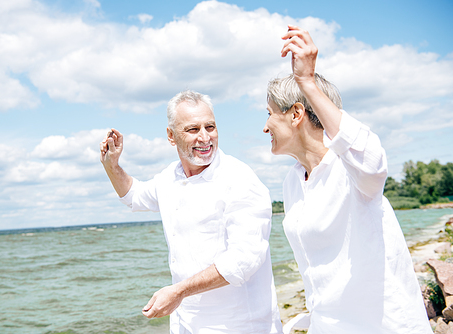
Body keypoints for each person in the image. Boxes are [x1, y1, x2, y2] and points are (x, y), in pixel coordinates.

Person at [263, 26, 433, 334]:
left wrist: (307, 82)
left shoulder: (350, 170)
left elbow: (372, 160)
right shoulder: (292, 182)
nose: (265, 127)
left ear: (296, 113)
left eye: (270, 113)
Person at [100, 90, 282, 333]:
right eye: (193, 129)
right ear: (171, 136)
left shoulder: (240, 179)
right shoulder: (169, 178)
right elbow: (133, 196)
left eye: (210, 127)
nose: (205, 137)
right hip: (186, 325)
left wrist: (179, 291)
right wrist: (111, 165)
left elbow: (244, 260)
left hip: (239, 325)